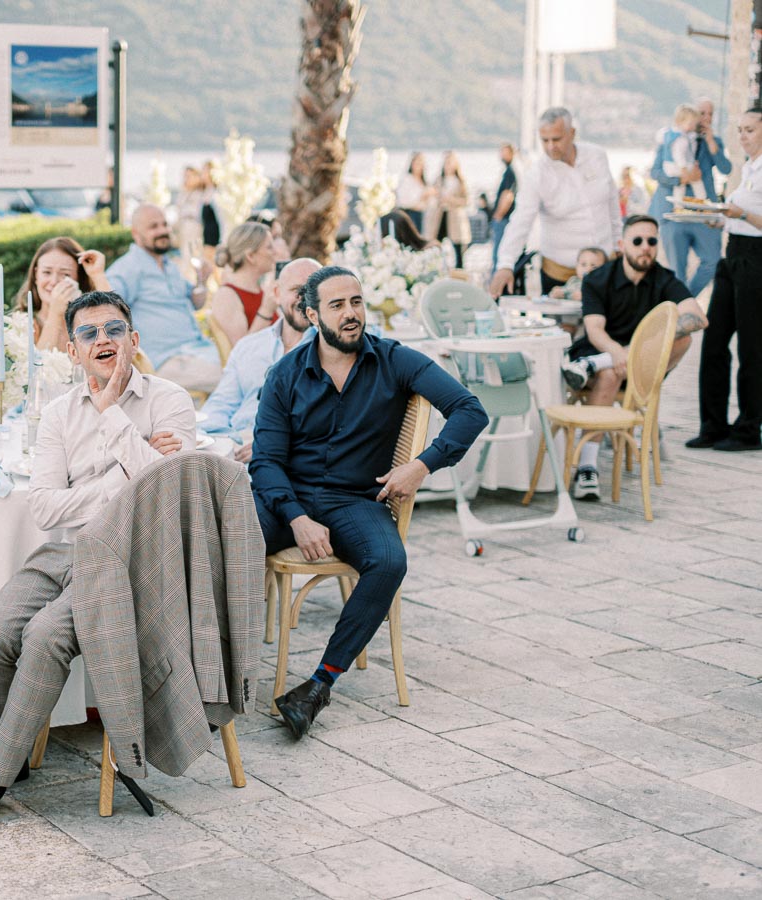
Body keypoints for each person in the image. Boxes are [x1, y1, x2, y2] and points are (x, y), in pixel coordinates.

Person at [0, 291, 195, 828]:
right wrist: (126, 472)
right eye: (89, 333)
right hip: (65, 550)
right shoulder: (59, 414)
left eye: (114, 329)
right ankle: (6, 757)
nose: (103, 340)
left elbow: (161, 494)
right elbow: (43, 507)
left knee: (44, 637)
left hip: (133, 559)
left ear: (134, 339)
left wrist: (112, 415)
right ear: (72, 350)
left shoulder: (170, 401)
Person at [250, 266, 486, 739]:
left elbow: (469, 410)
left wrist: (421, 466)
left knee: (388, 560)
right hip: (289, 498)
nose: (351, 314)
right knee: (225, 540)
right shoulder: (285, 374)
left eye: (356, 302)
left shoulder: (396, 360)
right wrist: (296, 518)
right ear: (311, 314)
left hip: (354, 499)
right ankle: (216, 673)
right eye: (337, 306)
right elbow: (266, 462)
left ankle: (319, 685)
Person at [559, 216, 700, 498]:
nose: (645, 247)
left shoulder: (663, 278)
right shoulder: (599, 278)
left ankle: (593, 367)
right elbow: (594, 329)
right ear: (623, 245)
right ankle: (588, 467)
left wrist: (640, 350)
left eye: (652, 241)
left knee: (684, 337)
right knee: (610, 372)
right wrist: (615, 353)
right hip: (600, 350)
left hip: (639, 366)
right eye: (637, 241)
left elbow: (697, 316)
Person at [691, 107, 762, 452]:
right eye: (739, 130)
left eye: (749, 129)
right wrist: (719, 219)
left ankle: (748, 429)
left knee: (752, 347)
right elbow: (737, 217)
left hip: (756, 259)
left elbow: (752, 218)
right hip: (732, 255)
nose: (742, 136)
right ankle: (713, 425)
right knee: (714, 341)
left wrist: (741, 214)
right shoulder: (748, 170)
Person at [491, 107, 620, 297]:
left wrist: (618, 245)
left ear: (572, 133)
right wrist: (505, 265)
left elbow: (612, 204)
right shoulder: (536, 175)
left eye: (557, 139)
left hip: (605, 266)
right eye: (545, 140)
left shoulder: (597, 156)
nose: (551, 146)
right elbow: (520, 222)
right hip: (559, 274)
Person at [201, 258, 319, 460]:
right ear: (276, 294)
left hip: (287, 453)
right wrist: (212, 441)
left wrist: (271, 443)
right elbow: (221, 403)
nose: (305, 299)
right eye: (297, 290)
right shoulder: (249, 347)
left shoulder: (330, 351)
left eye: (313, 291)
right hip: (235, 444)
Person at [106, 204, 223, 394]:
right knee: (234, 381)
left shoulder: (170, 265)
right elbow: (107, 311)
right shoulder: (127, 269)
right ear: (136, 234)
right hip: (166, 359)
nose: (162, 231)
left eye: (164, 224)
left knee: (245, 366)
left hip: (197, 350)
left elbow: (196, 303)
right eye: (153, 227)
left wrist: (202, 281)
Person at [651, 98, 732, 295]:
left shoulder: (713, 143)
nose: (706, 118)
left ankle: (684, 299)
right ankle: (681, 308)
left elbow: (725, 168)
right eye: (702, 113)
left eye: (710, 114)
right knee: (677, 270)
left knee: (712, 262)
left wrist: (711, 140)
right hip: (674, 213)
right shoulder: (670, 139)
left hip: (703, 214)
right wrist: (681, 179)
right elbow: (655, 173)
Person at [14, 236, 111, 352]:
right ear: (36, 275)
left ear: (78, 280)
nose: (54, 281)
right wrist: (55, 314)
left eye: (65, 274)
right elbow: (37, 366)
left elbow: (116, 328)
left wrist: (97, 275)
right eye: (46, 272)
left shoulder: (87, 324)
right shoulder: (23, 324)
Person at [210, 221, 278, 347]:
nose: (275, 252)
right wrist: (266, 310)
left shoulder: (261, 289)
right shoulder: (227, 296)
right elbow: (241, 353)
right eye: (269, 247)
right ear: (250, 256)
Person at [424, 150, 471, 269]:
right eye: (446, 162)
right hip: (440, 217)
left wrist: (450, 199)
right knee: (435, 246)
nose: (448, 165)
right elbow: (432, 196)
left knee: (458, 249)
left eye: (451, 162)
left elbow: (466, 201)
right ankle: (436, 271)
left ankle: (459, 276)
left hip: (455, 218)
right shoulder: (439, 180)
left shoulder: (461, 182)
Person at [491, 142, 519, 274]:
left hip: (504, 219)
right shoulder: (510, 171)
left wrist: (498, 215)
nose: (501, 155)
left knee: (498, 253)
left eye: (505, 152)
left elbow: (508, 195)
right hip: (504, 218)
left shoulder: (510, 172)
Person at [395, 152, 434, 234]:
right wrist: (422, 196)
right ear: (411, 164)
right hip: (410, 216)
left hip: (423, 215)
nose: (418, 165)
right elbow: (402, 201)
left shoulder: (425, 182)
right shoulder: (406, 179)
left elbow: (430, 202)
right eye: (416, 162)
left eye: (420, 163)